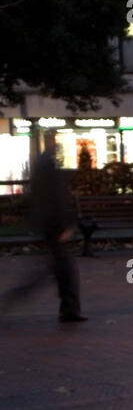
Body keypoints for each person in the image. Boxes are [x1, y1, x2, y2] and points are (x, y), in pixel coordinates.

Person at [1, 132, 87, 323]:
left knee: (57, 269)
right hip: (53, 225)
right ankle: (69, 310)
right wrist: (64, 225)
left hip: (48, 224)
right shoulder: (47, 164)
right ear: (50, 142)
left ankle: (69, 309)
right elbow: (55, 197)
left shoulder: (43, 163)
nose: (58, 146)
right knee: (60, 269)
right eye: (56, 141)